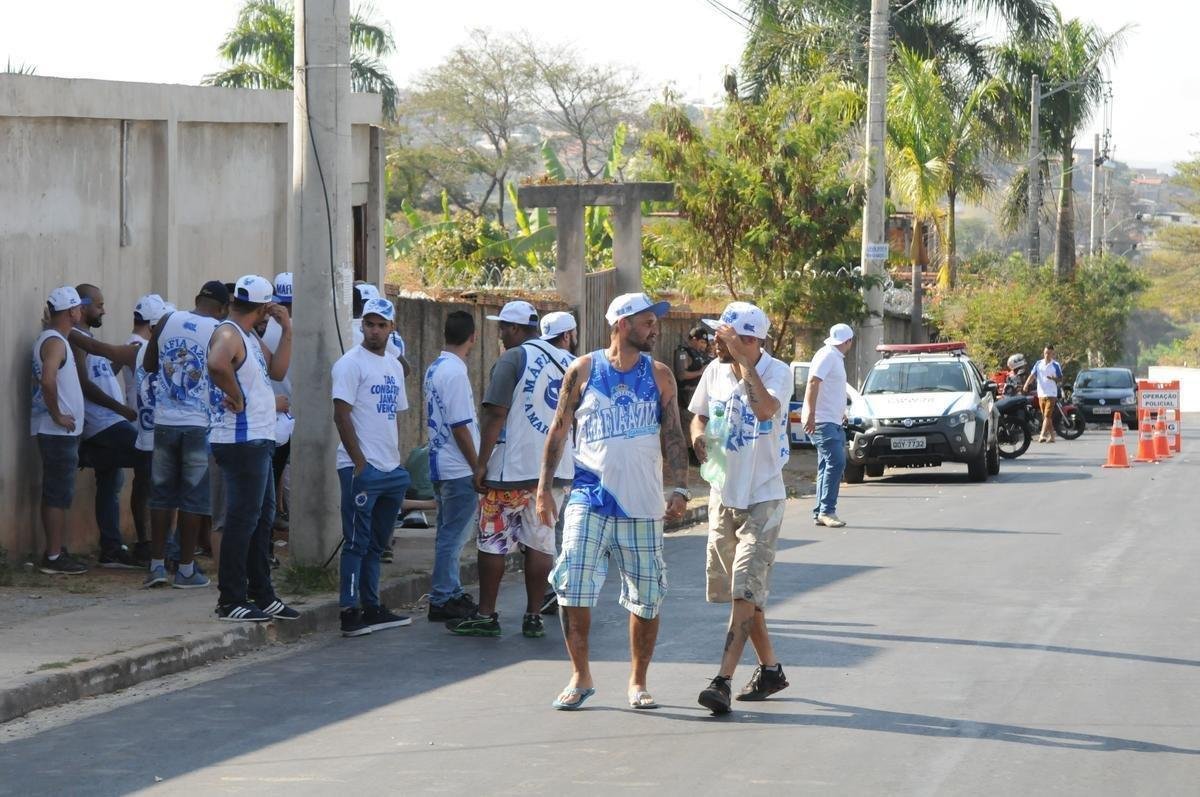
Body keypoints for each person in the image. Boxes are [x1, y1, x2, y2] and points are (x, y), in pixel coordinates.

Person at [536, 292, 690, 711]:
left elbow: (673, 435)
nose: (654, 328)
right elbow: (559, 430)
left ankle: (638, 682)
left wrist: (679, 488)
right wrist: (543, 491)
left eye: (653, 322)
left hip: (642, 502)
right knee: (573, 586)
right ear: (621, 323)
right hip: (589, 494)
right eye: (645, 322)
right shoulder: (582, 369)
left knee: (647, 594)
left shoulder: (660, 375)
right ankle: (580, 675)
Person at [689, 302, 793, 714]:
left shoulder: (777, 373)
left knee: (744, 590)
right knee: (741, 595)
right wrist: (699, 438)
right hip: (722, 493)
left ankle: (722, 681)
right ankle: (771, 670)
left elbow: (765, 410)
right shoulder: (714, 371)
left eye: (725, 335)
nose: (715, 340)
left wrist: (745, 362)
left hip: (763, 495)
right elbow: (697, 415)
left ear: (751, 340)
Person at [448, 301, 574, 639]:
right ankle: (534, 615)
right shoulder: (572, 363)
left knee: (492, 542)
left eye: (503, 328)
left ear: (516, 330)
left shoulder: (513, 359)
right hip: (554, 475)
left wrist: (480, 463)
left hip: (509, 472)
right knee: (541, 543)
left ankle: (486, 614)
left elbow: (495, 414)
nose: (500, 334)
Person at [207, 275, 298, 621]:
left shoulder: (248, 335)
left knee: (261, 520)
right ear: (262, 308)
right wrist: (238, 397)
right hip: (240, 441)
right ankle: (230, 599)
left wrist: (287, 329)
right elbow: (217, 363)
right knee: (242, 521)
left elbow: (276, 369)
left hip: (259, 439)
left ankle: (262, 592)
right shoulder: (229, 333)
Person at [332, 297, 413, 637]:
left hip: (390, 467)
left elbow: (393, 414)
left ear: (392, 328)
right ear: (362, 326)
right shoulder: (350, 364)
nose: (375, 330)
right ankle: (349, 611)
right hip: (360, 467)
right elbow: (341, 413)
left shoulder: (394, 365)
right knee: (356, 542)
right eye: (370, 324)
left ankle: (373, 605)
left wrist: (395, 462)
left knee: (377, 543)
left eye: (382, 325)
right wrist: (360, 463)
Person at [141, 281, 228, 589]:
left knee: (162, 494)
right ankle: (187, 569)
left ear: (196, 299)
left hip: (164, 421)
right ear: (222, 308)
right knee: (193, 498)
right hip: (197, 423)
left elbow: (149, 364)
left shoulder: (167, 320)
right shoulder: (220, 330)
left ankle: (156, 566)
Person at [71, 284, 142, 569]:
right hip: (103, 423)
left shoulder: (90, 339)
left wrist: (117, 363)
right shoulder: (76, 339)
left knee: (111, 485)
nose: (104, 310)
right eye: (99, 305)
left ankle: (111, 549)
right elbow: (84, 385)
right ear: (83, 306)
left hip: (111, 421)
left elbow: (100, 376)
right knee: (149, 456)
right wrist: (122, 410)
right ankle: (88, 454)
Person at [422, 310, 482, 623]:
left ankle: (452, 590)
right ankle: (443, 597)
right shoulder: (455, 373)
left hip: (441, 462)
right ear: (473, 336)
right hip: (458, 467)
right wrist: (477, 467)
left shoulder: (435, 367)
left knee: (448, 533)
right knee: (454, 536)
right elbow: (461, 426)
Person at [32, 287, 89, 575]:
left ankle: (57, 550)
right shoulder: (55, 343)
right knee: (57, 493)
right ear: (72, 313)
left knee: (59, 493)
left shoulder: (55, 338)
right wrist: (57, 414)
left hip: (61, 432)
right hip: (57, 432)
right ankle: (54, 556)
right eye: (79, 308)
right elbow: (47, 379)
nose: (82, 312)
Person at [536, 310, 579, 618]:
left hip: (535, 463)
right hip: (567, 462)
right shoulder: (577, 367)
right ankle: (559, 589)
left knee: (543, 531)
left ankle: (551, 589)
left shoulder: (527, 359)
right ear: (567, 336)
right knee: (563, 532)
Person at [803, 323, 854, 528]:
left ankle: (820, 512)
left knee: (827, 464)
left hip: (831, 420)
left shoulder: (834, 357)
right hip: (822, 421)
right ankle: (827, 510)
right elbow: (813, 382)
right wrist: (811, 413)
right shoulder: (828, 356)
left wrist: (840, 412)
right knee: (837, 462)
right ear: (848, 341)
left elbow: (830, 389)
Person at [262, 272, 295, 531]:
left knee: (276, 473)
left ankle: (274, 518)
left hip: (280, 412)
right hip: (277, 412)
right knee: (273, 473)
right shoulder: (276, 330)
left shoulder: (265, 331)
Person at [1024, 344, 1063, 443]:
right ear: (1043, 353)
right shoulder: (1038, 364)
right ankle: (1052, 437)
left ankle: (1042, 435)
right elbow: (1032, 375)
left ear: (1052, 354)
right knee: (1046, 416)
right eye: (1046, 353)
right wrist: (1026, 384)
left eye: (1049, 353)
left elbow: (1061, 378)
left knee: (1047, 415)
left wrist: (1053, 378)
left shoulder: (1055, 365)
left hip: (1051, 393)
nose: (1047, 355)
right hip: (1041, 393)